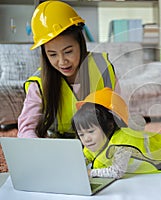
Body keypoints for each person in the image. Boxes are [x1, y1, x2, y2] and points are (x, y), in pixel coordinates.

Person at [17, 1, 117, 138]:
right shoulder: (38, 83)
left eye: (68, 51)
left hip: (99, 144)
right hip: (57, 146)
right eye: (52, 54)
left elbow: (119, 115)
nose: (62, 61)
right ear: (45, 54)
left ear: (80, 44)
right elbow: (27, 128)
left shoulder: (102, 67)